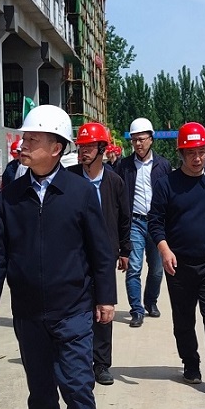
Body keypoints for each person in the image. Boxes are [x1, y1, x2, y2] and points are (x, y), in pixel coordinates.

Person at [0, 106, 116, 409]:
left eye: (32, 139)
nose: (23, 145)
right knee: (40, 394)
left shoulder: (79, 193)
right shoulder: (12, 195)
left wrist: (106, 297)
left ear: (56, 147)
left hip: (72, 310)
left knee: (77, 390)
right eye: (24, 138)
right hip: (28, 314)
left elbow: (100, 251)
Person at [150, 121, 205, 391]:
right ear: (181, 154)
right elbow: (155, 222)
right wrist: (165, 250)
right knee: (184, 318)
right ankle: (190, 363)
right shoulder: (167, 184)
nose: (198, 158)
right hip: (179, 265)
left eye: (202, 152)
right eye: (191, 153)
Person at [68, 120, 132, 386]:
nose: (83, 152)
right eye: (81, 147)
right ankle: (79, 360)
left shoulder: (115, 182)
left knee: (104, 308)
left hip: (105, 254)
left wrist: (125, 250)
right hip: (75, 253)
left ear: (102, 149)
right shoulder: (69, 178)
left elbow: (124, 219)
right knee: (76, 309)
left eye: (89, 147)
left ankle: (102, 364)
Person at [115, 117, 170, 328]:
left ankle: (150, 301)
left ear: (151, 139)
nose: (138, 144)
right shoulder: (124, 166)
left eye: (142, 139)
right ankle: (136, 310)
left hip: (157, 223)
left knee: (156, 269)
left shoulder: (163, 165)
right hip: (135, 223)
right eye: (134, 140)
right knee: (134, 267)